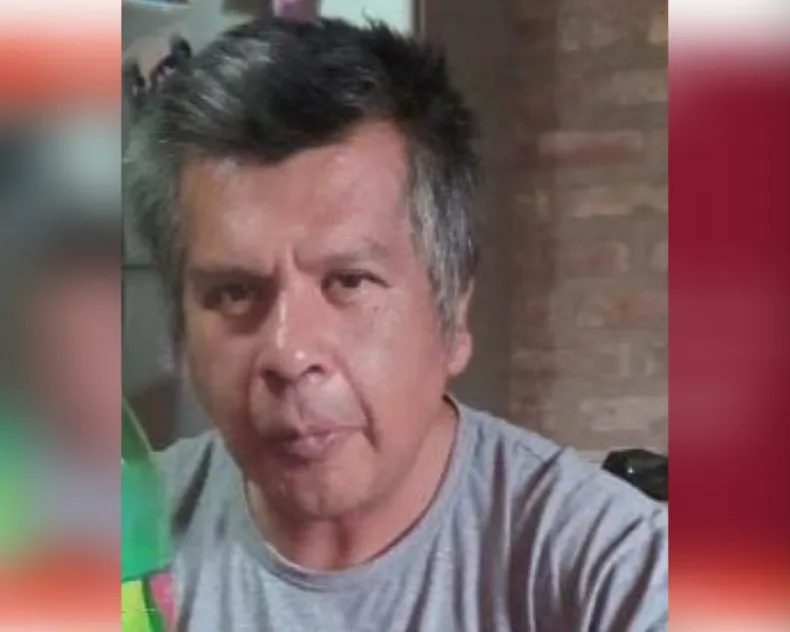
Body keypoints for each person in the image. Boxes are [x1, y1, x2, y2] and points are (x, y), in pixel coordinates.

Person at [126, 18, 668, 631]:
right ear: (179, 334)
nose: (289, 352)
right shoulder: (116, 541)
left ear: (453, 311)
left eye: (350, 281)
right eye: (233, 293)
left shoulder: (619, 575)